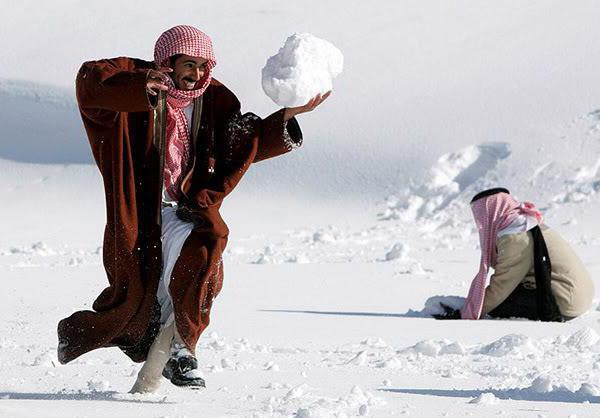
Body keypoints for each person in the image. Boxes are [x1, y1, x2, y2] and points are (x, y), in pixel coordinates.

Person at [57, 25, 330, 392]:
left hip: (188, 212)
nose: (197, 74)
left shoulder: (215, 100)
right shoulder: (139, 89)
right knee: (141, 302)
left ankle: (181, 352)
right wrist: (139, 88)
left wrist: (284, 118)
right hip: (140, 216)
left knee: (201, 263)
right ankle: (135, 360)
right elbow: (90, 84)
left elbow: (242, 144)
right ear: (168, 62)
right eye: (189, 64)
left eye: (204, 66)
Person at [434, 188, 594, 321]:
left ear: (490, 211)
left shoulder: (515, 235)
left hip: (566, 299)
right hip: (573, 295)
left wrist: (467, 313)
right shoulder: (524, 224)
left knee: (498, 306)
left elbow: (503, 285)